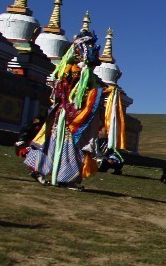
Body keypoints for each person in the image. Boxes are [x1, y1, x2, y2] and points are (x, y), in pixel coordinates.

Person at [24, 29, 125, 189]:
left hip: (67, 115)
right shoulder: (75, 72)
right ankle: (65, 178)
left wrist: (104, 91)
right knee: (68, 147)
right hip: (72, 118)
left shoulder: (75, 72)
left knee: (53, 143)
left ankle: (41, 171)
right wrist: (102, 92)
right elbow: (79, 94)